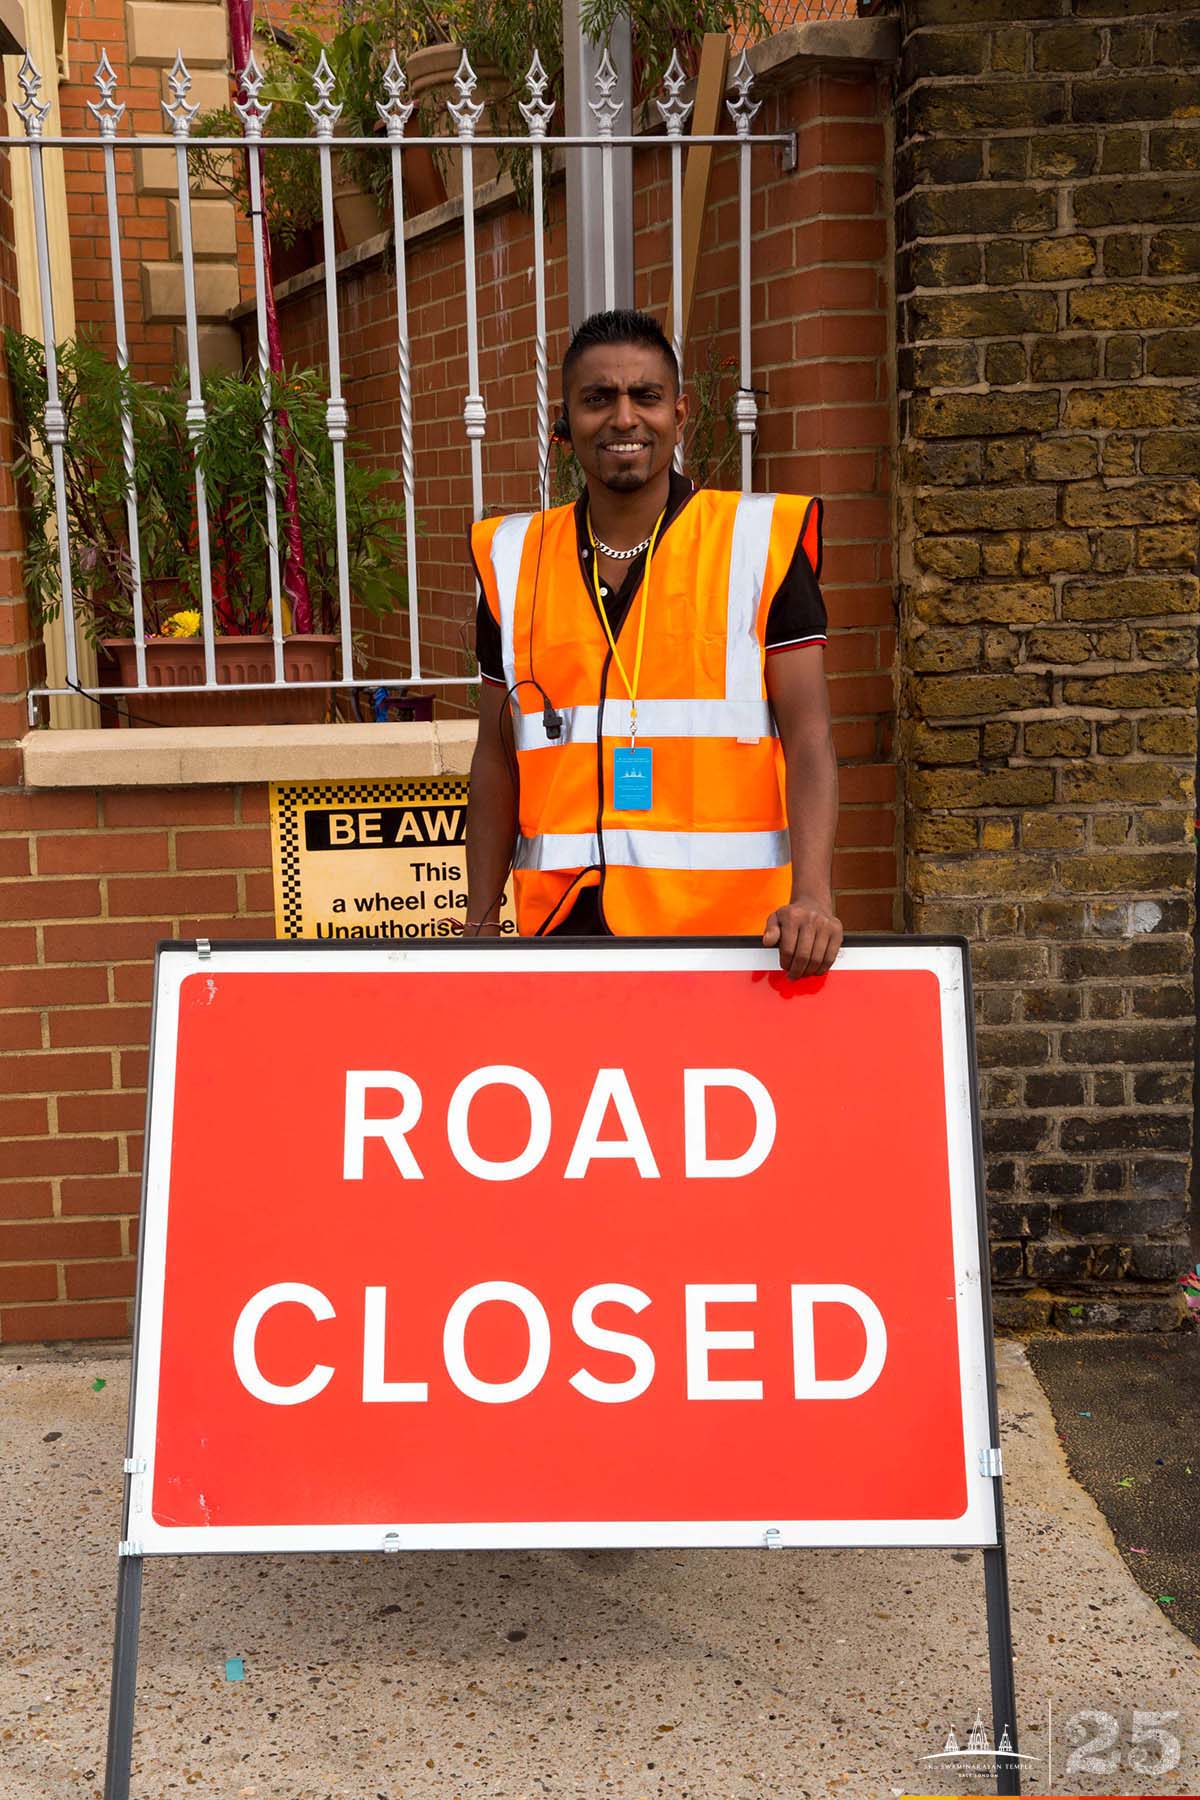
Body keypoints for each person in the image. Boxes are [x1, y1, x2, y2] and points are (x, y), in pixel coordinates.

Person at [465, 308, 842, 979]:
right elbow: (497, 757)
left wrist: (813, 896)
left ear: (679, 413)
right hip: (563, 933)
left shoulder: (760, 543)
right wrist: (480, 919)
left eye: (645, 396)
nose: (624, 418)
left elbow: (809, 737)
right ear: (564, 422)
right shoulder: (515, 558)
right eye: (597, 399)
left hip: (735, 943)